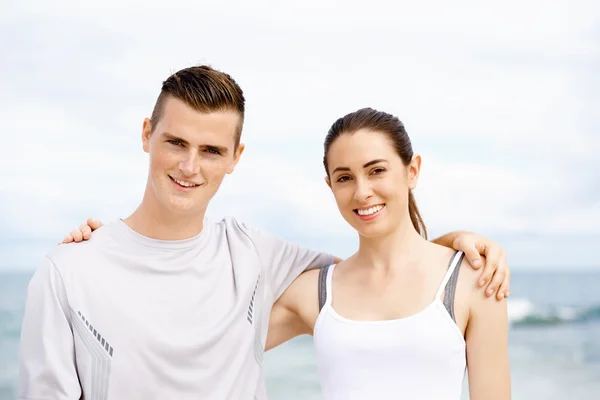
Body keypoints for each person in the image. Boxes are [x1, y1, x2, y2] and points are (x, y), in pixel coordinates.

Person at [18, 65, 510, 400]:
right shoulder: (69, 274)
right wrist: (102, 251)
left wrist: (452, 244)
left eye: (211, 150)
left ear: (236, 158)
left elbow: (391, 274)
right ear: (147, 134)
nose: (190, 166)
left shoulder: (254, 254)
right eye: (175, 142)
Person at [262, 108, 511, 399]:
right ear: (330, 186)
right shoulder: (312, 292)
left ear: (412, 171)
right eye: (344, 178)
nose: (361, 192)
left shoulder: (473, 279)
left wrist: (449, 242)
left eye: (376, 171)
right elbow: (215, 347)